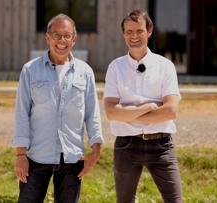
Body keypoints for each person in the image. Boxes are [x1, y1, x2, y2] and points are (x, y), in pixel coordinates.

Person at [10, 13, 104, 203]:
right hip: (36, 157)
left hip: (72, 159)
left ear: (74, 38)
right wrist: (20, 154)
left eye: (67, 35)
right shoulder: (30, 70)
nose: (62, 41)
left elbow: (92, 113)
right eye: (56, 35)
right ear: (48, 37)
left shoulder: (85, 72)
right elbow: (21, 113)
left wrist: (96, 150)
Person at [103, 10, 183, 203]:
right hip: (126, 145)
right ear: (124, 34)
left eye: (139, 30)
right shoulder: (116, 67)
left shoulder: (165, 66)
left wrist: (127, 114)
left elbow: (171, 110)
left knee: (175, 200)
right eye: (129, 31)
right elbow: (111, 111)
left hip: (161, 146)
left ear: (149, 31)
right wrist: (149, 107)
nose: (134, 36)